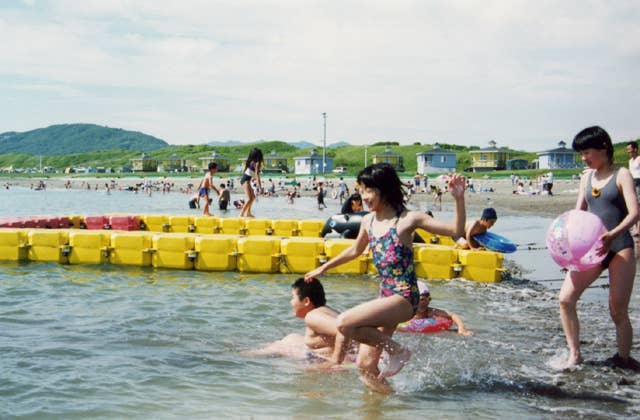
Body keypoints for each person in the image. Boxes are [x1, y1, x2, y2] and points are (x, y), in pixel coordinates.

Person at [304, 163, 466, 392]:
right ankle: (388, 405)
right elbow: (354, 251)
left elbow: (455, 232)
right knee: (365, 366)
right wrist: (323, 269)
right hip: (385, 296)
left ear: (385, 190)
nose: (364, 196)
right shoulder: (368, 221)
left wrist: (459, 199)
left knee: (343, 322)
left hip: (405, 297)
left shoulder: (408, 219)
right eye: (361, 189)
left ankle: (398, 351)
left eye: (369, 190)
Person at [559, 126, 639, 370]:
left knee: (617, 310)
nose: (584, 158)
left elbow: (635, 213)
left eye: (587, 152)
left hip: (619, 247)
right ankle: (575, 354)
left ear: (604, 147)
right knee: (565, 299)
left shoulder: (622, 174)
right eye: (581, 154)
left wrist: (612, 234)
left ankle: (623, 359)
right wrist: (566, 241)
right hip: (591, 250)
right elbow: (578, 214)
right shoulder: (586, 177)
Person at [245, 278, 342, 361]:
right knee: (291, 338)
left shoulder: (312, 316)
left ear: (306, 301)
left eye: (293, 297)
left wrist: (335, 361)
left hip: (323, 362)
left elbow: (344, 331)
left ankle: (242, 355)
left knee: (279, 349)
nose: (291, 302)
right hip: (322, 356)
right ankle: (245, 348)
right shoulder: (325, 310)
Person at [239, 148, 263, 218]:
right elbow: (257, 176)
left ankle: (248, 213)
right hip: (245, 180)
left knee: (252, 198)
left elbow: (249, 173)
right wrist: (260, 188)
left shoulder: (251, 161)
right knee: (250, 199)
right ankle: (241, 214)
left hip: (246, 180)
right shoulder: (257, 163)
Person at [626, 141, 640, 235]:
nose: (628, 152)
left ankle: (638, 229)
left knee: (639, 205)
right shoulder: (630, 161)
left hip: (639, 182)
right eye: (627, 150)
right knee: (633, 205)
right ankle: (635, 227)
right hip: (633, 182)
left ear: (635, 149)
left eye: (629, 150)